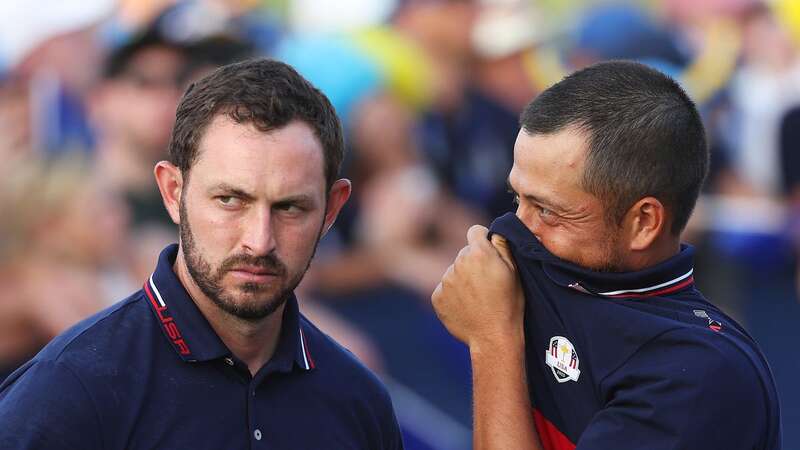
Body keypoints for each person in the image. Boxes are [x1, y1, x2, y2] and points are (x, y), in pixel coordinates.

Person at [0, 58, 404, 449]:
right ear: (173, 192)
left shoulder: (357, 399)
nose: (259, 241)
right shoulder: (74, 386)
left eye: (290, 207)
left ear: (332, 209)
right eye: (230, 200)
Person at [431, 61, 782, 450]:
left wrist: (492, 341)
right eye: (517, 199)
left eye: (548, 210)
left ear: (644, 223)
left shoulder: (696, 374)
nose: (512, 230)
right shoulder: (538, 280)